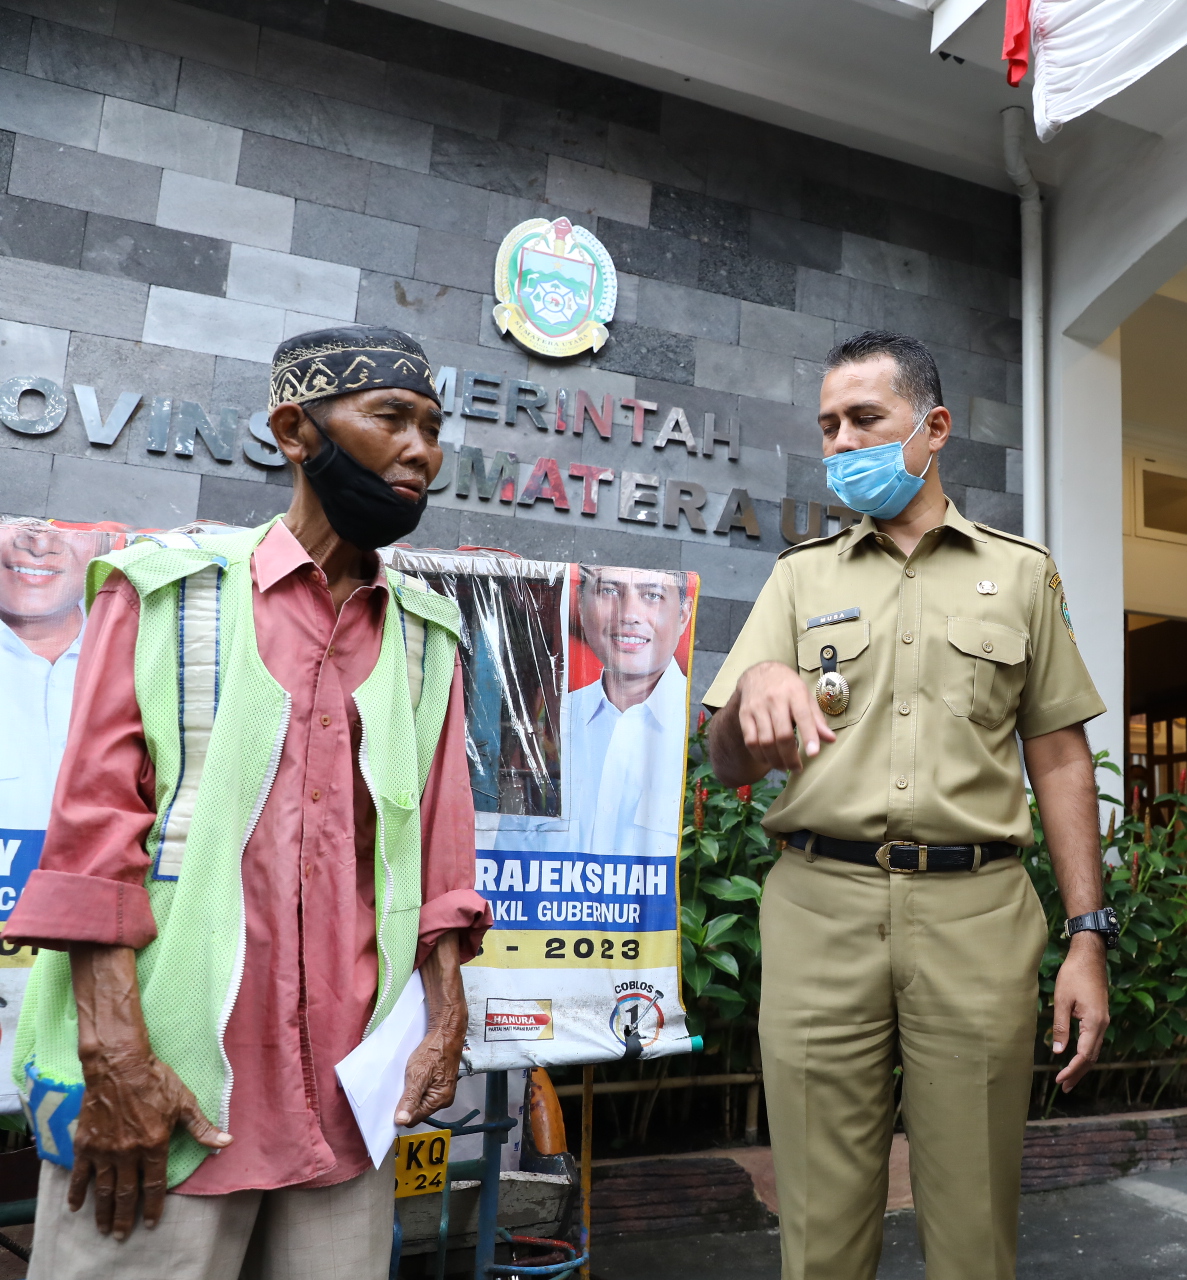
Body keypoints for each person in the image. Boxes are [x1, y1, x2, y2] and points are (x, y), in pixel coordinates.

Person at [5, 325, 490, 1278]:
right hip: (165, 1089)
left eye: (433, 428)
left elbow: (439, 859)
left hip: (347, 1103)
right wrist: (116, 1060)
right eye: (390, 418)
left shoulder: (428, 635)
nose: (422, 450)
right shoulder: (167, 592)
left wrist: (444, 1022)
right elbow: (93, 844)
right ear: (295, 431)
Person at [702, 330, 1110, 1280]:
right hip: (819, 908)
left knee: (974, 1227)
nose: (840, 443)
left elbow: (1057, 758)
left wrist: (1088, 932)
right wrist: (758, 681)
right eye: (827, 426)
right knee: (819, 1228)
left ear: (933, 429)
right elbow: (725, 759)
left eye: (864, 420)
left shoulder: (1020, 573)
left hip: (976, 914)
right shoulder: (799, 577)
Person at [558, 565, 693, 858]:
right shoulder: (558, 719)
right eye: (608, 591)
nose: (628, 614)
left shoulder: (702, 733)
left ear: (683, 614)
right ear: (580, 606)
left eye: (653, 595)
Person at [0, 522, 111, 833]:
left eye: (72, 525)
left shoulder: (149, 654)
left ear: (106, 543)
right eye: (13, 520)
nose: (40, 545)